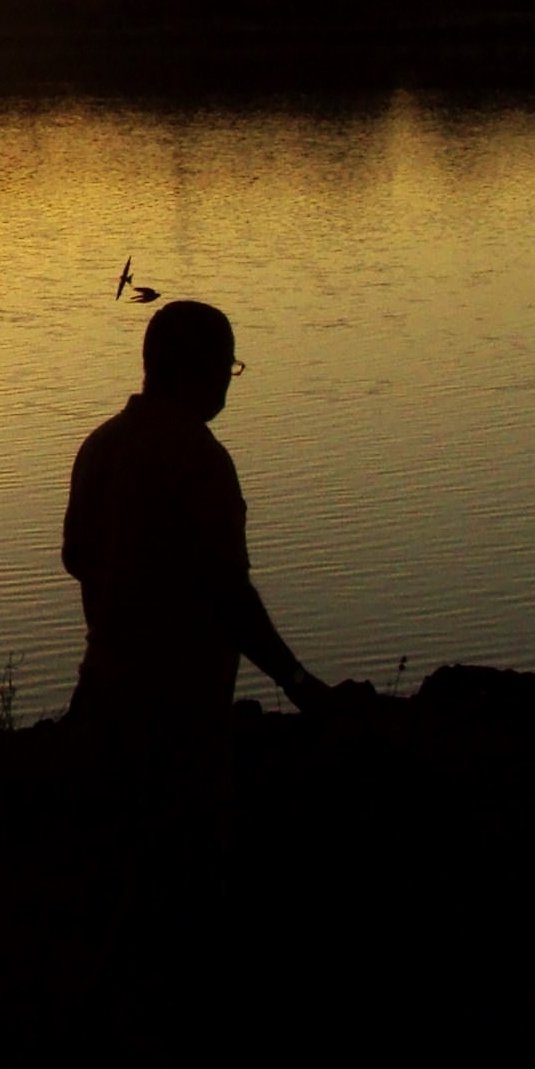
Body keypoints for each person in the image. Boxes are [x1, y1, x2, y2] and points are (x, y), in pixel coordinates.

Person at [61, 299, 347, 843]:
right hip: (179, 716)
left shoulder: (100, 444)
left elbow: (75, 557)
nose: (229, 381)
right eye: (228, 365)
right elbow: (228, 593)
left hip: (99, 699)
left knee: (107, 873)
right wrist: (297, 682)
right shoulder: (198, 456)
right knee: (182, 875)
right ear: (200, 368)